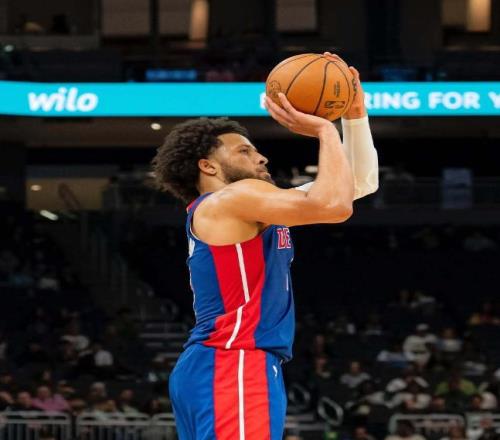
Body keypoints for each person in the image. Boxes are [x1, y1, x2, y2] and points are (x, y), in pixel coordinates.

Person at [151, 52, 378, 439]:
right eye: (244, 151)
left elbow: (358, 184)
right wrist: (325, 131)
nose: (261, 156)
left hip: (219, 362)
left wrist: (354, 115)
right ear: (207, 166)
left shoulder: (245, 205)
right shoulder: (233, 198)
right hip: (234, 359)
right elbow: (334, 207)